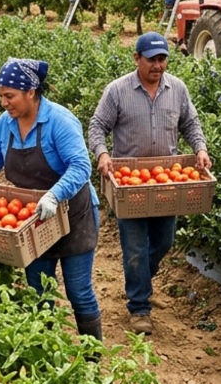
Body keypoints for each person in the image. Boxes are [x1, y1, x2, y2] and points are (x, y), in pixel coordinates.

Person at [0, 59, 102, 341]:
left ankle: (92, 356)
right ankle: (46, 348)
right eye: (1, 96)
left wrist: (54, 194)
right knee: (38, 291)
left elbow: (80, 167)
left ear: (31, 92)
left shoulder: (59, 121)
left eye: (10, 96)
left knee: (79, 292)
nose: (4, 103)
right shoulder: (6, 124)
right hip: (32, 219)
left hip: (72, 215)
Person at [89, 32, 210, 335]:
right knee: (135, 248)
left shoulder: (177, 89)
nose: (157, 65)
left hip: (167, 182)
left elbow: (190, 123)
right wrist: (102, 155)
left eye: (162, 59)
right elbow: (97, 126)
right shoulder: (117, 91)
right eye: (151, 59)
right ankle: (139, 306)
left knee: (163, 242)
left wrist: (200, 149)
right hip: (129, 185)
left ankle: (139, 280)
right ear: (137, 59)